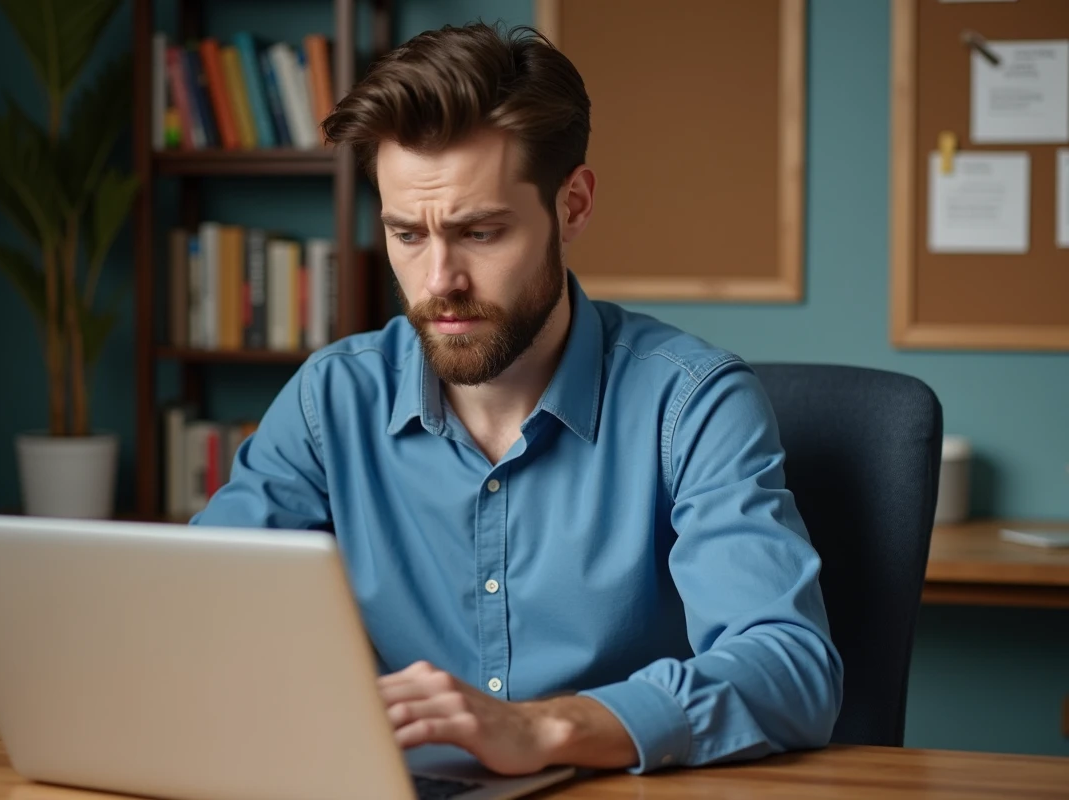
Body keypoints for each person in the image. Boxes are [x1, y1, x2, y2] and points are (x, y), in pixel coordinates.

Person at [192, 22, 843, 776]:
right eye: (407, 235)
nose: (439, 280)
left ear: (572, 206)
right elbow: (198, 617)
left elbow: (792, 669)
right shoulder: (330, 401)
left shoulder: (692, 405)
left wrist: (542, 728)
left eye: (480, 232)